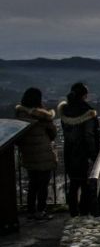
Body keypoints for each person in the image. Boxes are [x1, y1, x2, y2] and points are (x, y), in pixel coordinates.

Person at [58, 83, 100, 217]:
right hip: (83, 153)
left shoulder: (65, 111)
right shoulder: (87, 112)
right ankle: (84, 212)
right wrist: (94, 155)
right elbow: (89, 136)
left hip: (69, 152)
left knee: (73, 184)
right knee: (86, 185)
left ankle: (73, 212)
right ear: (84, 95)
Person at [15, 88, 57, 221]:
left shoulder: (20, 115)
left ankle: (31, 211)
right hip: (43, 153)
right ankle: (41, 211)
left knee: (33, 184)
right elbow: (53, 134)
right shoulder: (43, 117)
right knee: (43, 185)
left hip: (28, 154)